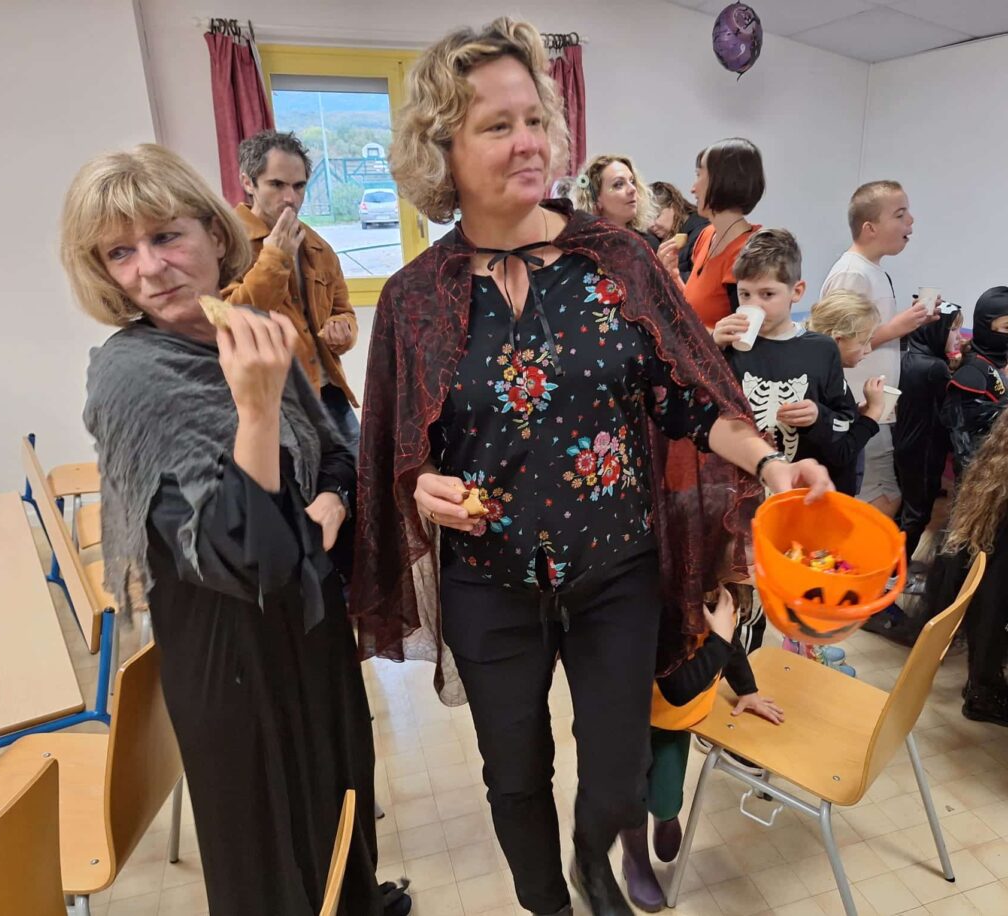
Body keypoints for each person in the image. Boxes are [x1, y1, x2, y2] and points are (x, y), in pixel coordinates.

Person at [351, 18, 832, 916]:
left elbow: (695, 397)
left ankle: (590, 860)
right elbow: (395, 456)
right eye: (496, 126)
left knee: (613, 769)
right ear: (441, 148)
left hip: (615, 568)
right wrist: (422, 486)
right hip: (490, 581)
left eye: (534, 118)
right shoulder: (417, 296)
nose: (528, 141)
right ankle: (551, 903)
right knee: (514, 770)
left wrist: (771, 467)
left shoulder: (615, 261)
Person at [60, 145, 390, 916]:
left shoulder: (246, 327)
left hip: (310, 630)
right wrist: (255, 408)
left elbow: (335, 449)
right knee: (270, 861)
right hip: (230, 654)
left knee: (340, 805)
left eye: (166, 236)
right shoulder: (131, 374)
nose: (150, 268)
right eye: (120, 251)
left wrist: (334, 501)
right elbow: (251, 561)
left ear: (214, 234)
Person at [712, 230, 857, 668]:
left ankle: (788, 657)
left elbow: (846, 418)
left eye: (768, 293)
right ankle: (730, 674)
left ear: (797, 291)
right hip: (733, 495)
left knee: (786, 585)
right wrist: (710, 346)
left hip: (792, 494)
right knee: (739, 593)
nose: (753, 304)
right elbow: (697, 409)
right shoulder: (730, 348)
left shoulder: (820, 350)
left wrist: (819, 417)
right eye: (744, 293)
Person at [618, 587, 783, 912]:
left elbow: (732, 644)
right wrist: (719, 640)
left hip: (674, 723)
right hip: (626, 717)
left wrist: (747, 690)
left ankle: (665, 814)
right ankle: (635, 860)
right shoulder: (666, 604)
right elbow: (678, 687)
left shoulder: (728, 591)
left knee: (666, 794)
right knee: (628, 795)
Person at [223, 129, 361, 448]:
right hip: (272, 402)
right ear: (248, 183)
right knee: (297, 495)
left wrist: (342, 330)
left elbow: (344, 312)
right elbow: (229, 319)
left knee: (359, 486)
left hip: (330, 394)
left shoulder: (316, 245)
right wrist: (276, 257)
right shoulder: (226, 244)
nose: (290, 198)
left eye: (299, 186)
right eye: (276, 184)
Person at [820, 180, 936, 519]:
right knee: (881, 496)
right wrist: (900, 325)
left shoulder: (872, 271)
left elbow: (867, 333)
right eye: (900, 215)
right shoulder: (852, 273)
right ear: (870, 228)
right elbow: (834, 345)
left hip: (875, 404)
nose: (910, 223)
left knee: (879, 492)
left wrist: (911, 322)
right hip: (860, 404)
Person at [923, 407, 1008, 726]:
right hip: (995, 564)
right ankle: (983, 691)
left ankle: (983, 686)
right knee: (991, 610)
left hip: (987, 556)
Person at [663, 138, 764, 329]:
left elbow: (742, 337)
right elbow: (699, 311)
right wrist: (674, 277)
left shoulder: (749, 253)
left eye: (699, 175)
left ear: (722, 181)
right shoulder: (707, 235)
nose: (693, 188)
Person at [893, 302, 963, 563]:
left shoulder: (911, 358)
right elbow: (949, 412)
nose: (958, 337)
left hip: (908, 444)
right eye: (952, 330)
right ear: (936, 331)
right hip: (923, 449)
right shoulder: (935, 367)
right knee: (917, 515)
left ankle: (889, 570)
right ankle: (895, 575)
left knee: (906, 511)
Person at [805, 289, 886, 496]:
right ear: (837, 340)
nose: (868, 350)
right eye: (863, 342)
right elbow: (841, 451)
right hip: (827, 491)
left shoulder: (824, 371)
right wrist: (872, 415)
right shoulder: (822, 382)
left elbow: (831, 423)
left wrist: (855, 414)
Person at [942, 286, 1008, 476]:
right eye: (1007, 327)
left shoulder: (995, 363)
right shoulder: (972, 374)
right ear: (984, 326)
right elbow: (963, 444)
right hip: (984, 476)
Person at [570, 153, 660, 249]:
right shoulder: (582, 249)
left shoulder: (648, 244)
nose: (632, 189)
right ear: (596, 199)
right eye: (618, 184)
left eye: (632, 181)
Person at [648, 181, 708, 282]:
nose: (651, 225)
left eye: (656, 216)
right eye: (647, 218)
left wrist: (666, 274)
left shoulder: (701, 232)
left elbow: (701, 280)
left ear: (674, 207)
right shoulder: (655, 239)